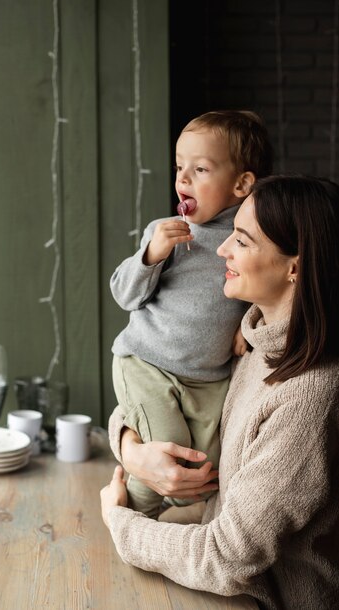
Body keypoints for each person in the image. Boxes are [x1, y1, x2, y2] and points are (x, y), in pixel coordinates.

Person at [101, 174, 339, 610]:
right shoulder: (253, 341)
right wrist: (131, 448)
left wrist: (121, 523)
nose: (222, 249)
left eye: (243, 241)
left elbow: (229, 557)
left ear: (295, 266)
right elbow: (149, 391)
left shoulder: (310, 396)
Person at [109, 110, 273, 518]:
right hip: (147, 364)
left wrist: (248, 321)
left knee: (206, 472)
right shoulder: (165, 232)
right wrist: (150, 256)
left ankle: (168, 526)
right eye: (180, 167)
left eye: (199, 169)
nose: (182, 179)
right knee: (170, 462)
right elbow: (125, 295)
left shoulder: (250, 239)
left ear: (241, 184)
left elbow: (268, 286)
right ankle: (130, 518)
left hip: (208, 379)